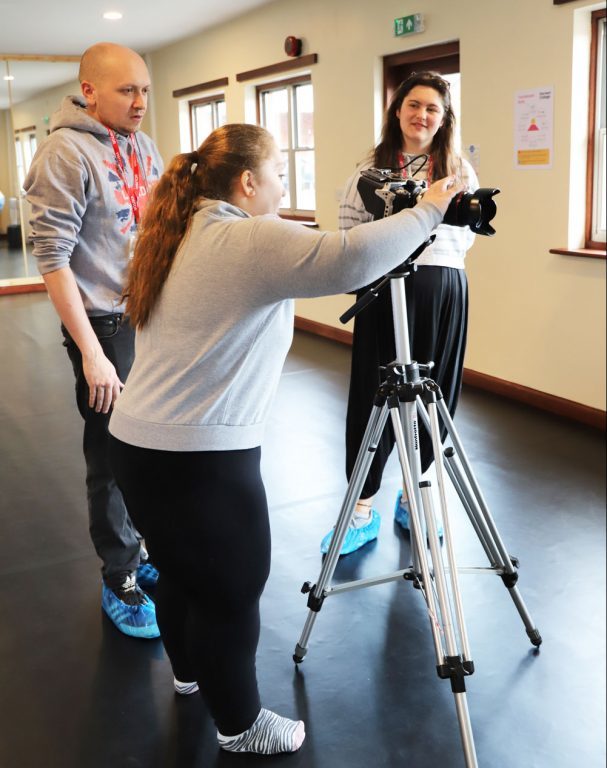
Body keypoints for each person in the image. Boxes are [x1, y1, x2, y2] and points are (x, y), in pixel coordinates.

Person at [106, 123, 462, 754]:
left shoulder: (180, 230)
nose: (279, 185)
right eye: (276, 174)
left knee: (184, 575)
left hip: (137, 446)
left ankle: (190, 677)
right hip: (201, 456)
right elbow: (351, 256)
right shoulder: (244, 236)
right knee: (231, 591)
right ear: (248, 182)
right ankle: (242, 726)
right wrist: (433, 206)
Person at [24, 43, 164, 638]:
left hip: (151, 315)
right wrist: (91, 353)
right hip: (104, 325)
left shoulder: (143, 145)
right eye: (127, 90)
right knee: (109, 456)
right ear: (89, 91)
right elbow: (52, 259)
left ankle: (142, 548)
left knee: (150, 446)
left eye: (146, 90)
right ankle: (119, 576)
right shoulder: (65, 151)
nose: (140, 102)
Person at [320, 71, 479, 555]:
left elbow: (465, 236)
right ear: (397, 110)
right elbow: (349, 233)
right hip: (386, 291)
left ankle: (414, 496)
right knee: (374, 394)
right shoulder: (368, 171)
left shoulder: (459, 171)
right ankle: (362, 508)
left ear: (443, 117)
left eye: (432, 108)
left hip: (445, 289)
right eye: (413, 105)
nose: (422, 115)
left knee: (435, 398)